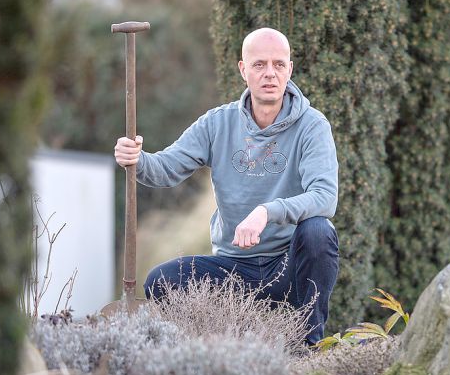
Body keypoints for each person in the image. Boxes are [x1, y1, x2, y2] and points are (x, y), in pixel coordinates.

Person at [113, 28, 339, 345]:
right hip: (233, 269)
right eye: (259, 65)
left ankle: (308, 344)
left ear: (290, 68)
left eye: (278, 64)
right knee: (161, 281)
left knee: (318, 231)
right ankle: (215, 346)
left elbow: (325, 198)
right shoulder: (217, 123)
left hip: (286, 267)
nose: (269, 74)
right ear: (243, 70)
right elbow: (166, 169)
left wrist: (267, 212)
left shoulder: (312, 126)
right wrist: (136, 159)